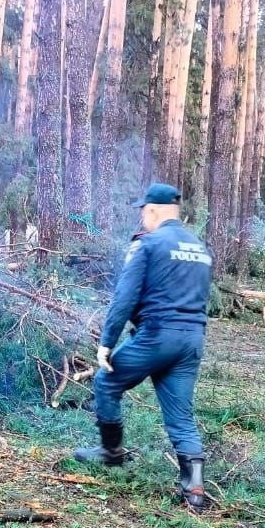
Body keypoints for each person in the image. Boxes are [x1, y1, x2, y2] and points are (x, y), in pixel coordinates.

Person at [74, 182, 213, 510]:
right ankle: (194, 490)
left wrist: (106, 343)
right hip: (192, 339)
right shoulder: (201, 249)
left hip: (156, 336)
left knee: (106, 381)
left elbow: (124, 297)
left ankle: (111, 452)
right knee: (181, 415)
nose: (142, 219)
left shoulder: (147, 245)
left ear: (152, 211)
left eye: (143, 212)